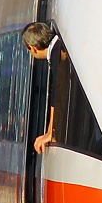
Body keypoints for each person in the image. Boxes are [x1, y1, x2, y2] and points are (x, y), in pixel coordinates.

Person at [22, 21, 64, 153]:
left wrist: (51, 132)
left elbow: (57, 94)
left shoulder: (58, 54)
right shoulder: (59, 45)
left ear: (33, 48)